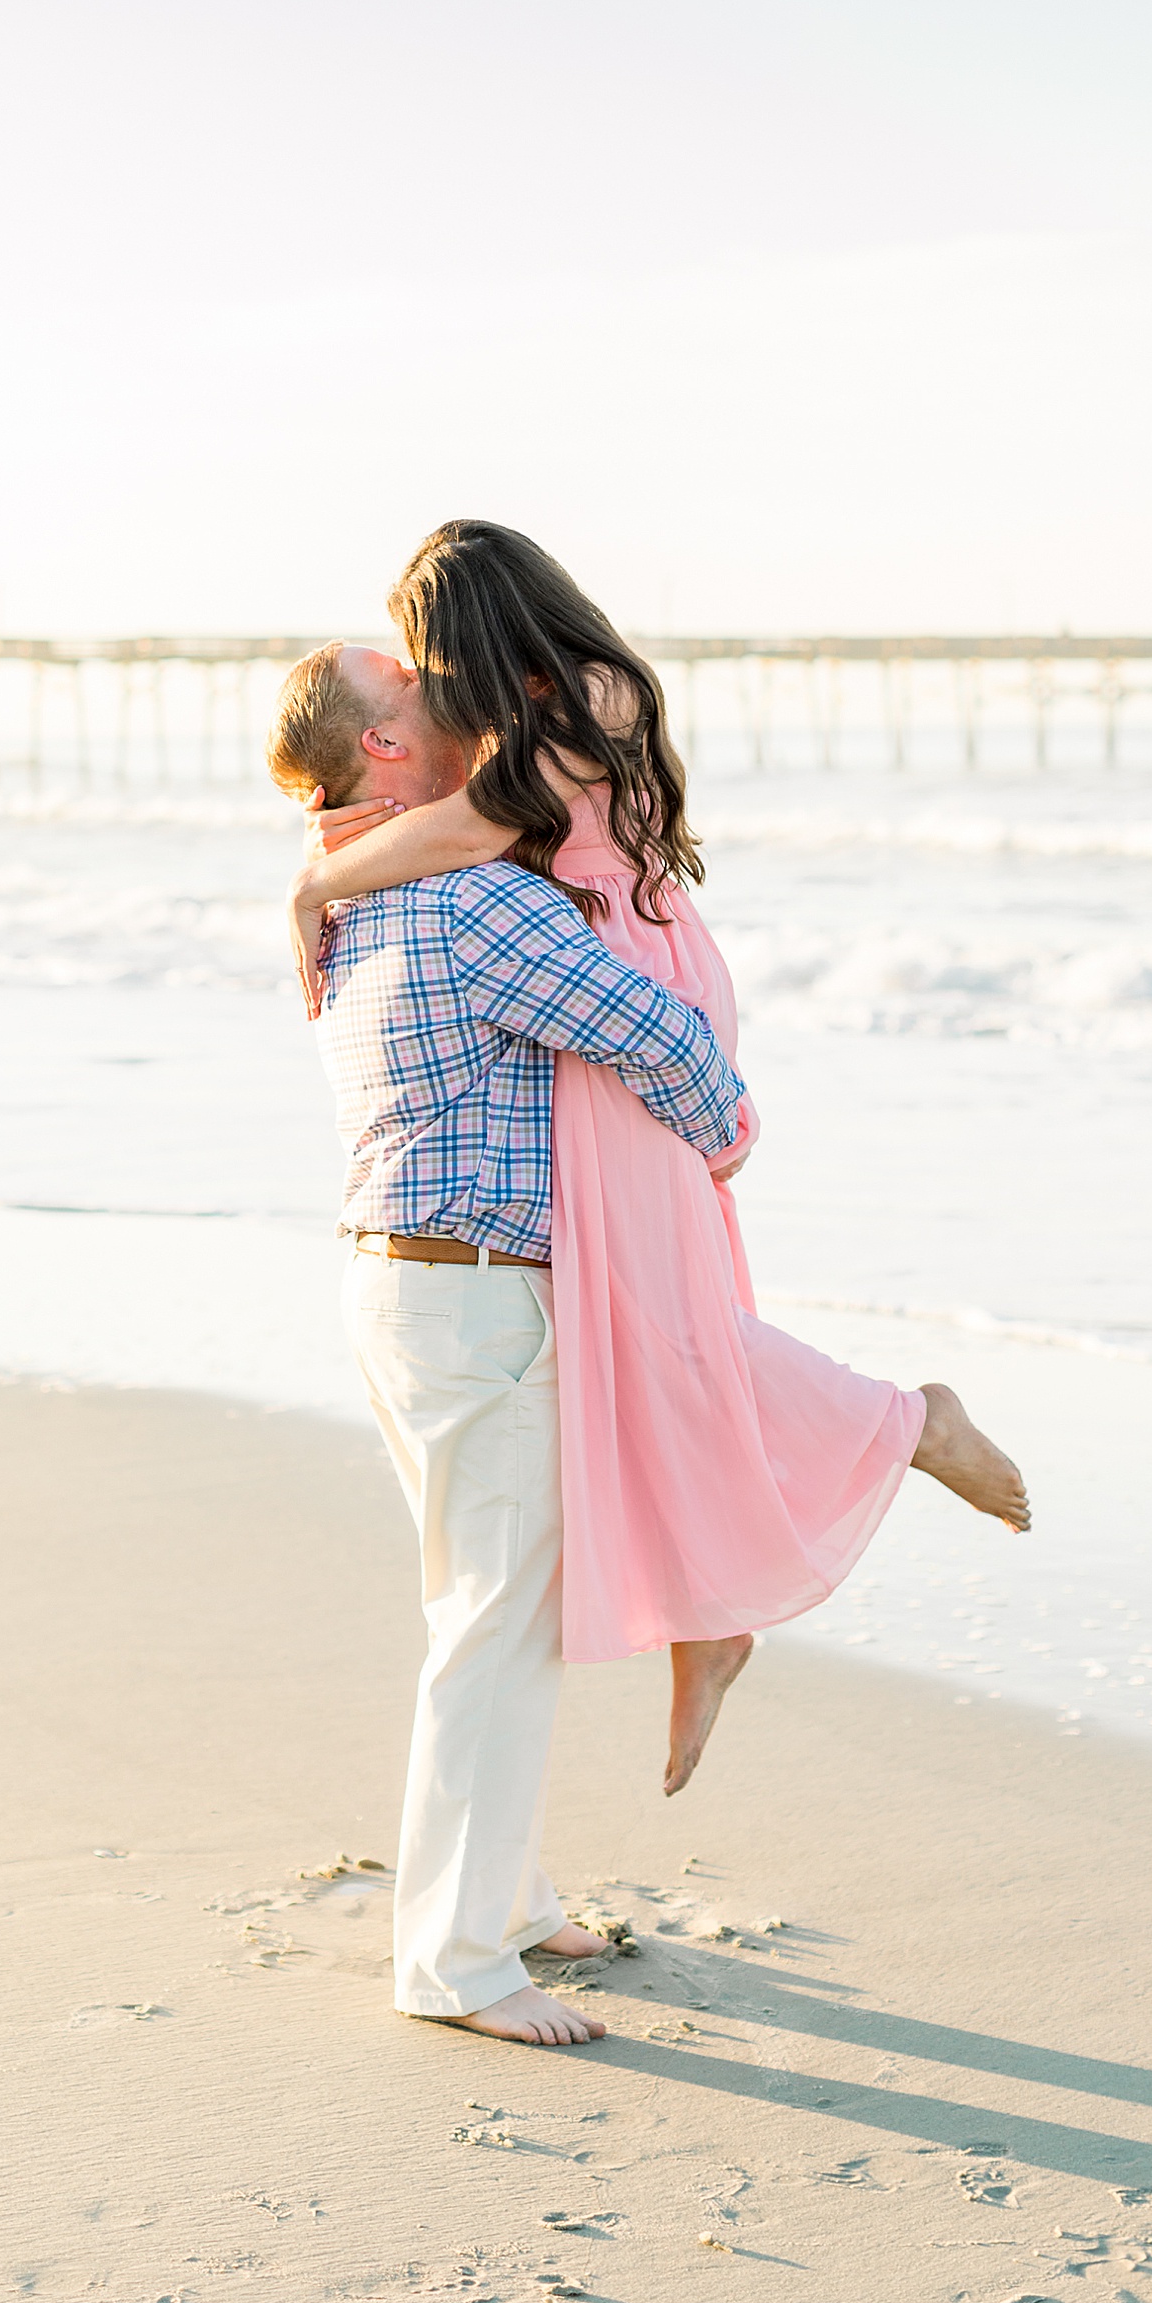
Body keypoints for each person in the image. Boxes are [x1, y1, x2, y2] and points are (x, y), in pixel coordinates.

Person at [277, 522, 1031, 1803]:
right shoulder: (531, 721)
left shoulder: (586, 701)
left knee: (667, 1323)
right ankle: (710, 1613)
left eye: (421, 651)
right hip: (619, 995)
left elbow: (468, 823)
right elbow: (462, 827)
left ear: (475, 624)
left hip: (646, 974)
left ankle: (901, 1430)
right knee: (648, 1328)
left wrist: (317, 883)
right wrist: (329, 873)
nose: (424, 677)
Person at [266, 639, 748, 2048]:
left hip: (401, 1286)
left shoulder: (347, 900)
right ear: (387, 752)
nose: (467, 704)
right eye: (426, 696)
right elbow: (664, 1042)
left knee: (479, 1609)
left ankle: (508, 1896)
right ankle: (459, 1954)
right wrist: (726, 1145)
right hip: (476, 1295)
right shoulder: (472, 901)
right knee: (496, 1626)